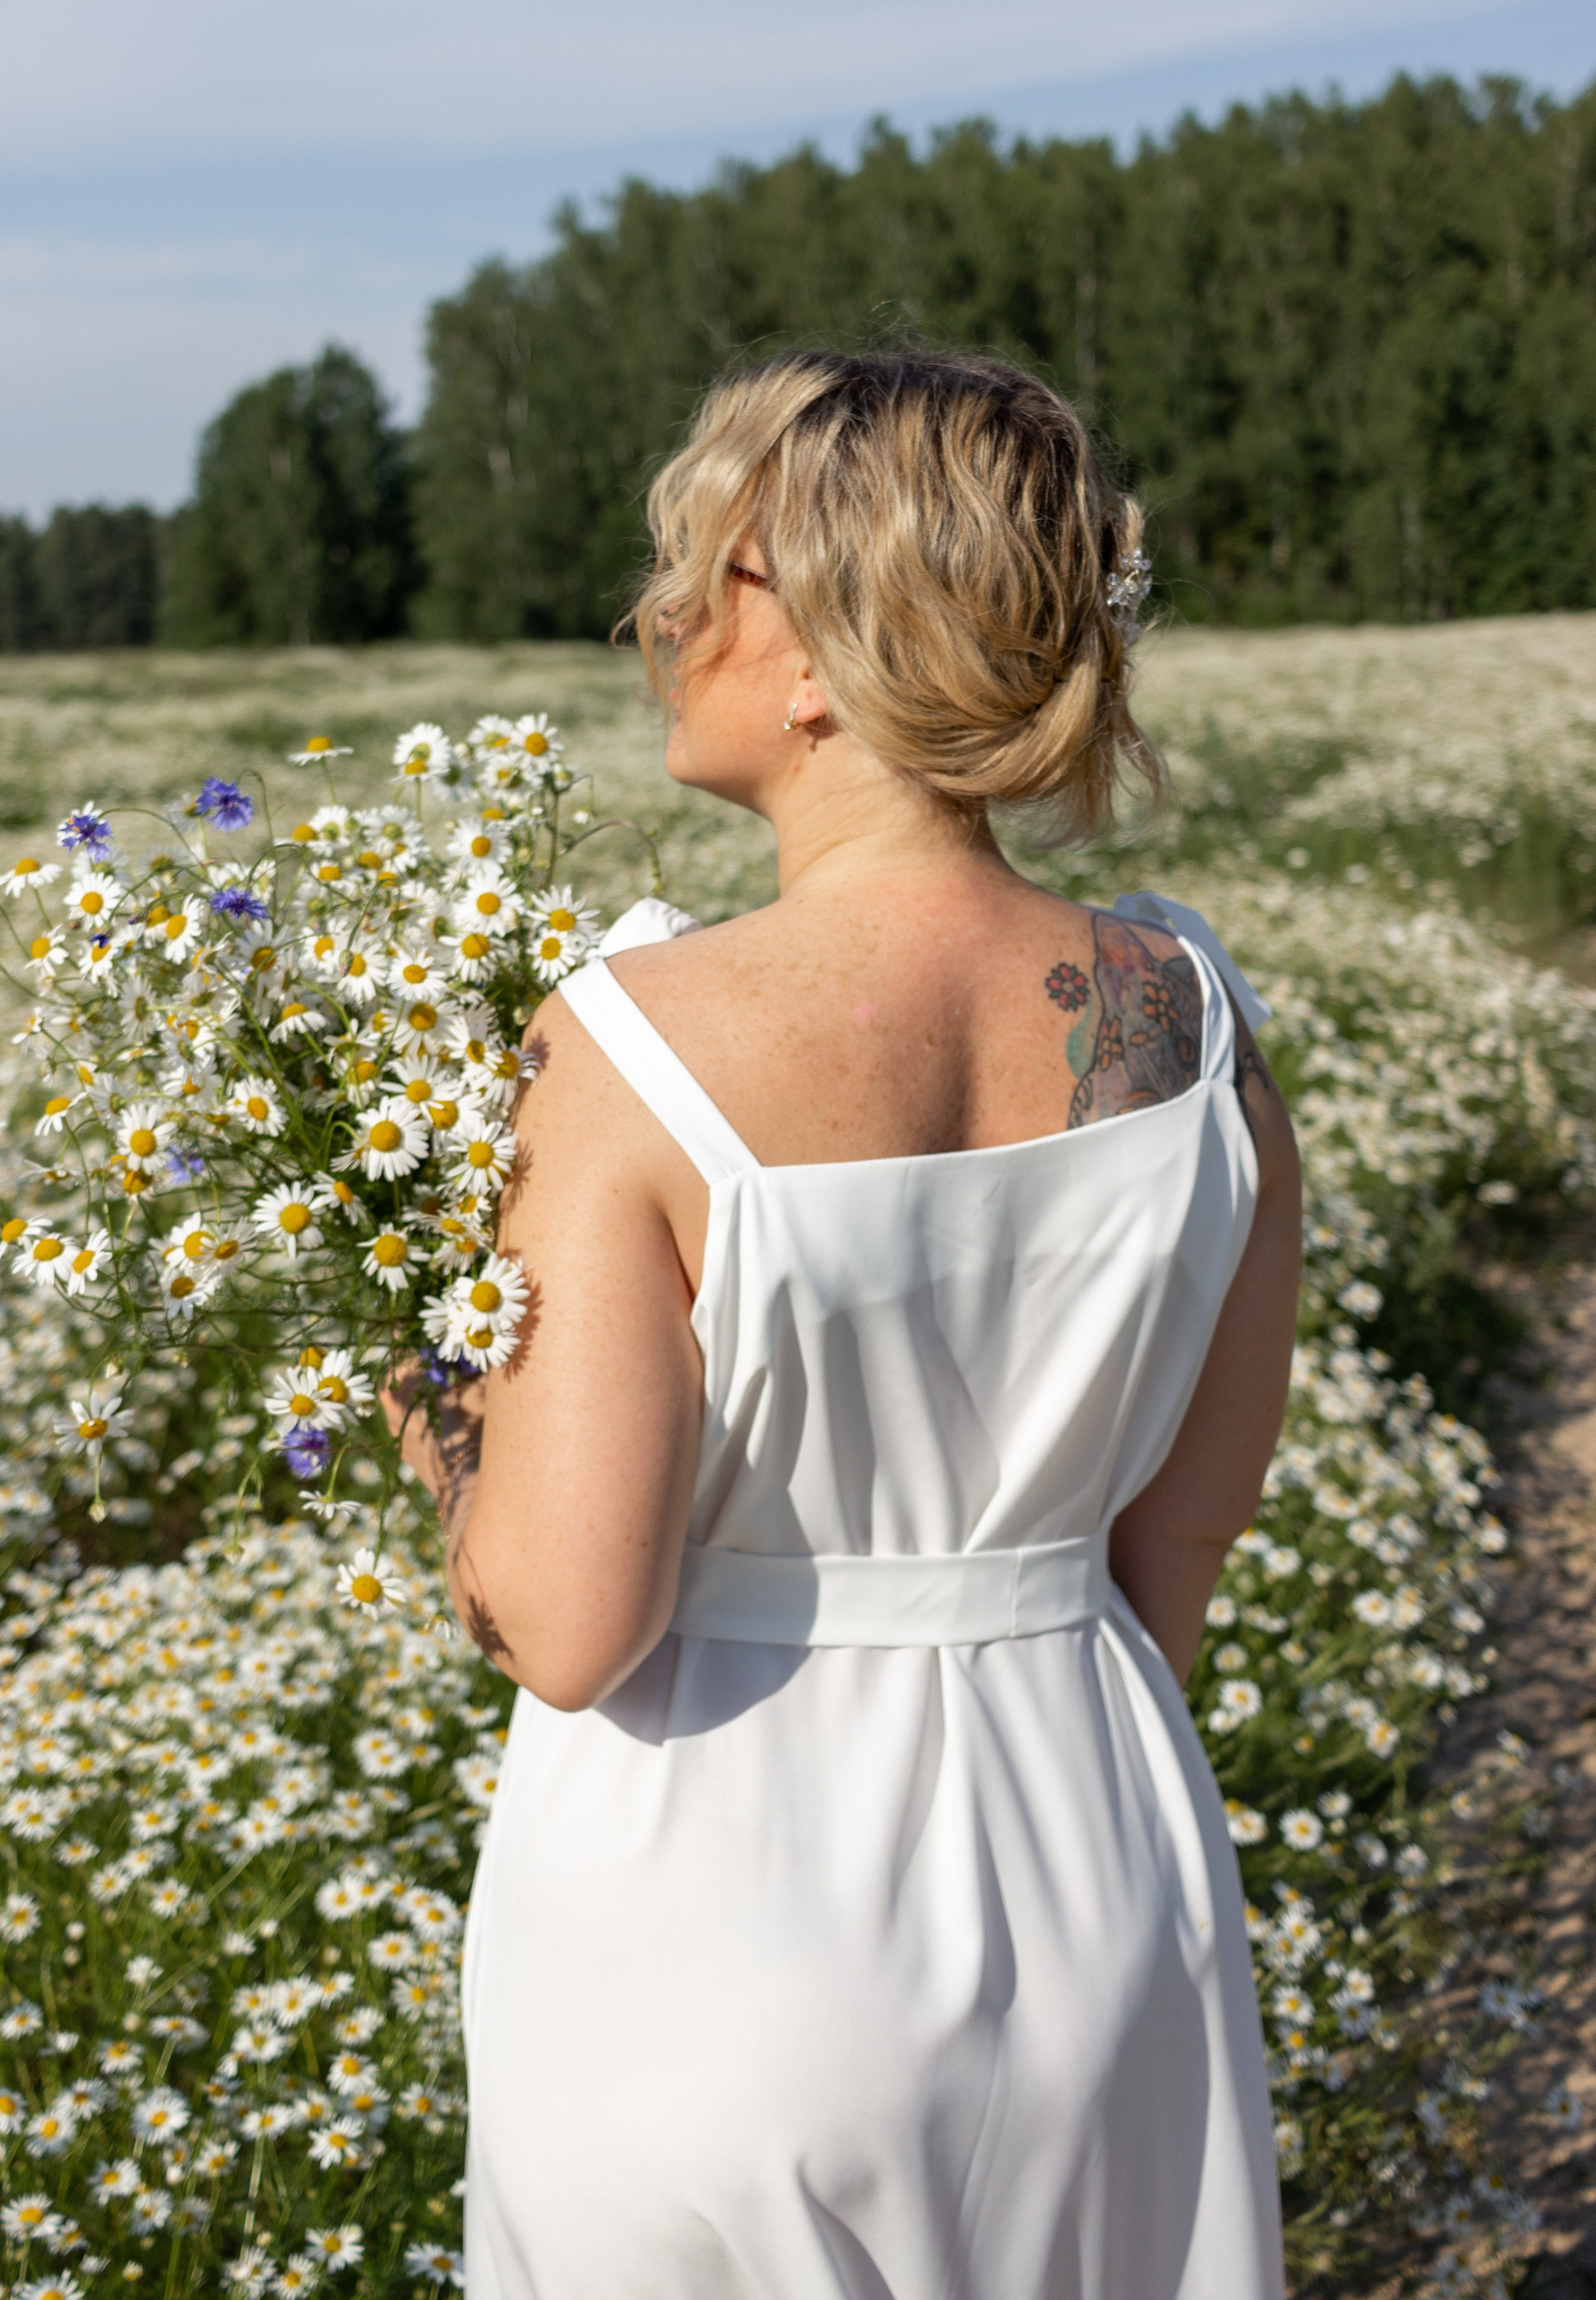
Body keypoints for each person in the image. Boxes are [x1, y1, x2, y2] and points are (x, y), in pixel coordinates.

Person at [394, 349, 1302, 2299]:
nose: (654, 619)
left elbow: (569, 1625)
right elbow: (1172, 1559)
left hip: (716, 1912)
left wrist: (436, 1415)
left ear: (815, 652)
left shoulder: (627, 1047)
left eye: (698, 573)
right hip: (1101, 1879)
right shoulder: (1200, 1035)